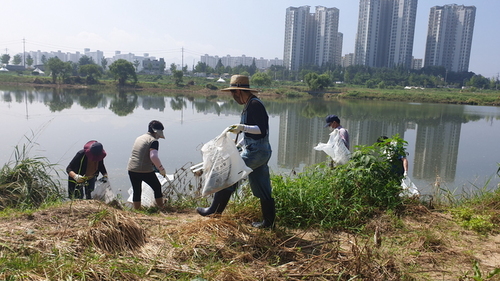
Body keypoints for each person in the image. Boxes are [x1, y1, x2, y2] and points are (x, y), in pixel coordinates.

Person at [196, 75, 275, 229]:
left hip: (256, 152)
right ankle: (268, 223)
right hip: (260, 151)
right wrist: (238, 144)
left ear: (239, 91)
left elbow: (262, 130)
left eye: (233, 93)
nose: (232, 96)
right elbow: (250, 135)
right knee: (262, 186)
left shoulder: (254, 105)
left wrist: (242, 127)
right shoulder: (249, 104)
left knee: (228, 174)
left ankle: (214, 211)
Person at [127, 120, 167, 210]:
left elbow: (142, 154)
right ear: (157, 132)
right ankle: (161, 208)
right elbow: (153, 156)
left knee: (137, 190)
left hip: (132, 168)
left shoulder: (140, 138)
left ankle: (137, 210)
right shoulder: (153, 141)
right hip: (144, 170)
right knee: (157, 187)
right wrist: (161, 168)